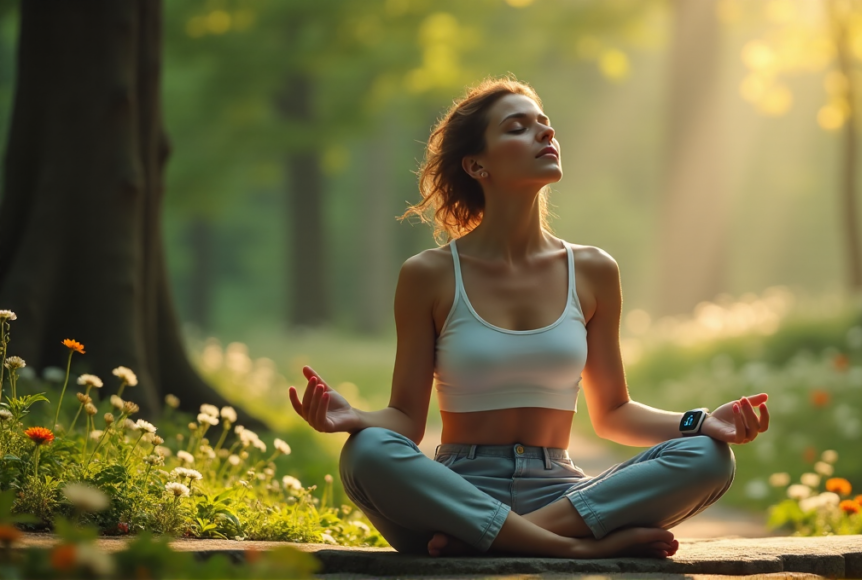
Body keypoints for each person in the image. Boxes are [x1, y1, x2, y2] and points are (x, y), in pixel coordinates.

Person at [288, 76, 770, 559]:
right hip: (456, 494)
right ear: (477, 164)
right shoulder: (429, 274)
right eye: (518, 128)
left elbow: (614, 413)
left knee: (708, 457)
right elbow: (407, 421)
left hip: (555, 495)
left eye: (546, 125)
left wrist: (702, 422)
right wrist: (356, 418)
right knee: (366, 451)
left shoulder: (594, 270)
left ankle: (496, 540)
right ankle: (572, 550)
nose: (545, 135)